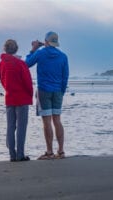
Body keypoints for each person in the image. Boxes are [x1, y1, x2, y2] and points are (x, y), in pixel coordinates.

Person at [26, 31, 69, 160]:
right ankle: (61, 151)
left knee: (46, 122)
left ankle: (49, 152)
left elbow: (27, 63)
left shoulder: (40, 53)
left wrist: (33, 49)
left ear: (45, 41)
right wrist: (62, 91)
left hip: (44, 90)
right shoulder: (63, 56)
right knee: (57, 120)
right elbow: (65, 75)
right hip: (58, 90)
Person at [0, 39, 33, 162]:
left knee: (10, 127)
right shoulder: (20, 64)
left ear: (5, 49)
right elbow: (28, 82)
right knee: (21, 128)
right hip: (22, 98)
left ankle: (12, 155)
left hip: (10, 97)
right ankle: (20, 155)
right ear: (16, 49)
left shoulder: (1, 64)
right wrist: (30, 95)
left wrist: (8, 89)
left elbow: (3, 80)